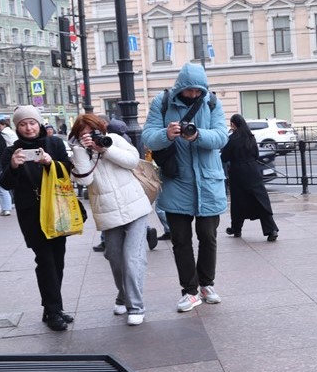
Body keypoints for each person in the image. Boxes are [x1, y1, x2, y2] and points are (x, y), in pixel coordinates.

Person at [142, 62, 229, 313]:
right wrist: (167, 134)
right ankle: (189, 291)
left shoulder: (212, 102)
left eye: (198, 90)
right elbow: (148, 137)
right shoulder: (162, 102)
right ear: (180, 87)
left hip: (208, 182)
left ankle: (206, 285)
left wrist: (197, 135)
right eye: (189, 90)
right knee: (180, 240)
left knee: (208, 237)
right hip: (175, 181)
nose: (193, 94)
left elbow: (222, 136)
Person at [0, 105, 76, 332]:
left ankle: (51, 307)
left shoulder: (54, 144)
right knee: (45, 260)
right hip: (31, 213)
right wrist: (13, 166)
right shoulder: (12, 151)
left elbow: (68, 171)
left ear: (39, 123)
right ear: (17, 127)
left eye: (32, 122)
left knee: (58, 259)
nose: (29, 128)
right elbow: (5, 183)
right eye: (23, 124)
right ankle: (53, 311)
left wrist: (50, 163)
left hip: (57, 209)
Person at [70, 113, 151, 326]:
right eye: (84, 134)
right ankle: (123, 296)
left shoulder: (114, 140)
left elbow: (132, 161)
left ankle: (136, 307)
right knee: (114, 258)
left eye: (93, 132)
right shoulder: (80, 152)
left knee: (132, 258)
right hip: (108, 212)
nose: (91, 137)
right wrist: (81, 151)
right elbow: (85, 180)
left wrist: (105, 149)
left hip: (135, 207)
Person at [222, 114, 279, 241]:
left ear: (233, 124)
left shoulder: (232, 139)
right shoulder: (251, 137)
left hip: (238, 172)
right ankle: (272, 230)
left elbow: (224, 157)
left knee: (238, 201)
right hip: (253, 171)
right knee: (260, 200)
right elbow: (256, 155)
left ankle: (236, 229)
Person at [106, 118, 159, 251]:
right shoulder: (126, 137)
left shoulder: (114, 141)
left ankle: (105, 240)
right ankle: (146, 229)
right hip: (131, 182)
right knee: (133, 213)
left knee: (124, 212)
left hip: (123, 181)